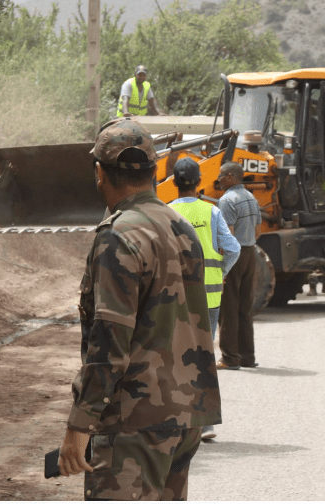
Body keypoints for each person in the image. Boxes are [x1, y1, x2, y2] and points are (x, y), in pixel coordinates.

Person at [57, 118, 221, 500]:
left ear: (100, 173)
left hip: (136, 422)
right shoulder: (180, 226)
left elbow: (110, 341)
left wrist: (79, 427)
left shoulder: (119, 235)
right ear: (157, 169)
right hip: (185, 416)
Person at [169, 157, 240, 441]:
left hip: (176, 297)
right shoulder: (211, 213)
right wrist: (220, 271)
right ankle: (206, 424)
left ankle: (178, 420)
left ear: (174, 182)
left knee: (176, 354)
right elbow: (233, 249)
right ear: (199, 183)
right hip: (209, 296)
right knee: (204, 356)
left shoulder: (166, 213)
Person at [216, 161, 262, 370]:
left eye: (222, 175)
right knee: (245, 307)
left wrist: (223, 264)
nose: (218, 179)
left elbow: (228, 235)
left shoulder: (227, 200)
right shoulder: (251, 198)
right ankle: (247, 356)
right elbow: (258, 230)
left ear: (231, 177)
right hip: (250, 253)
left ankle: (229, 358)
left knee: (228, 307)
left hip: (235, 255)